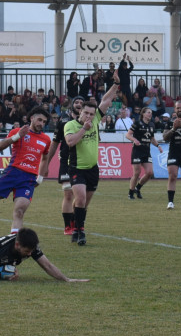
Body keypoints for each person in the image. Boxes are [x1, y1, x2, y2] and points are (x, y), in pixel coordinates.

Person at [63, 74, 120, 245]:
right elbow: (70, 142)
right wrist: (84, 130)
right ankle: (81, 232)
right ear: (80, 111)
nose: (88, 116)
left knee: (84, 204)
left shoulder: (95, 119)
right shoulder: (70, 125)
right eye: (86, 113)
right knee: (79, 199)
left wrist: (116, 83)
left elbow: (107, 98)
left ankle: (75, 226)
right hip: (76, 168)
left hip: (93, 169)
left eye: (91, 114)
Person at [41, 96, 85, 236]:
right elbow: (54, 144)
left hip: (82, 163)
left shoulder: (88, 123)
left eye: (81, 103)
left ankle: (75, 222)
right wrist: (47, 163)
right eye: (76, 102)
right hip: (66, 162)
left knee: (80, 196)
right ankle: (68, 227)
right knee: (68, 194)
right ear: (72, 105)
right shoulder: (63, 121)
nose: (79, 104)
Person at [125, 107, 160, 200]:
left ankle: (138, 188)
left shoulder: (152, 125)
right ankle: (130, 193)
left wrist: (158, 146)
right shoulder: (137, 123)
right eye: (148, 112)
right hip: (137, 151)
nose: (150, 114)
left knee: (149, 172)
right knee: (137, 173)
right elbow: (128, 134)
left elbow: (152, 138)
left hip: (146, 151)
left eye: (151, 113)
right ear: (143, 114)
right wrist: (134, 140)